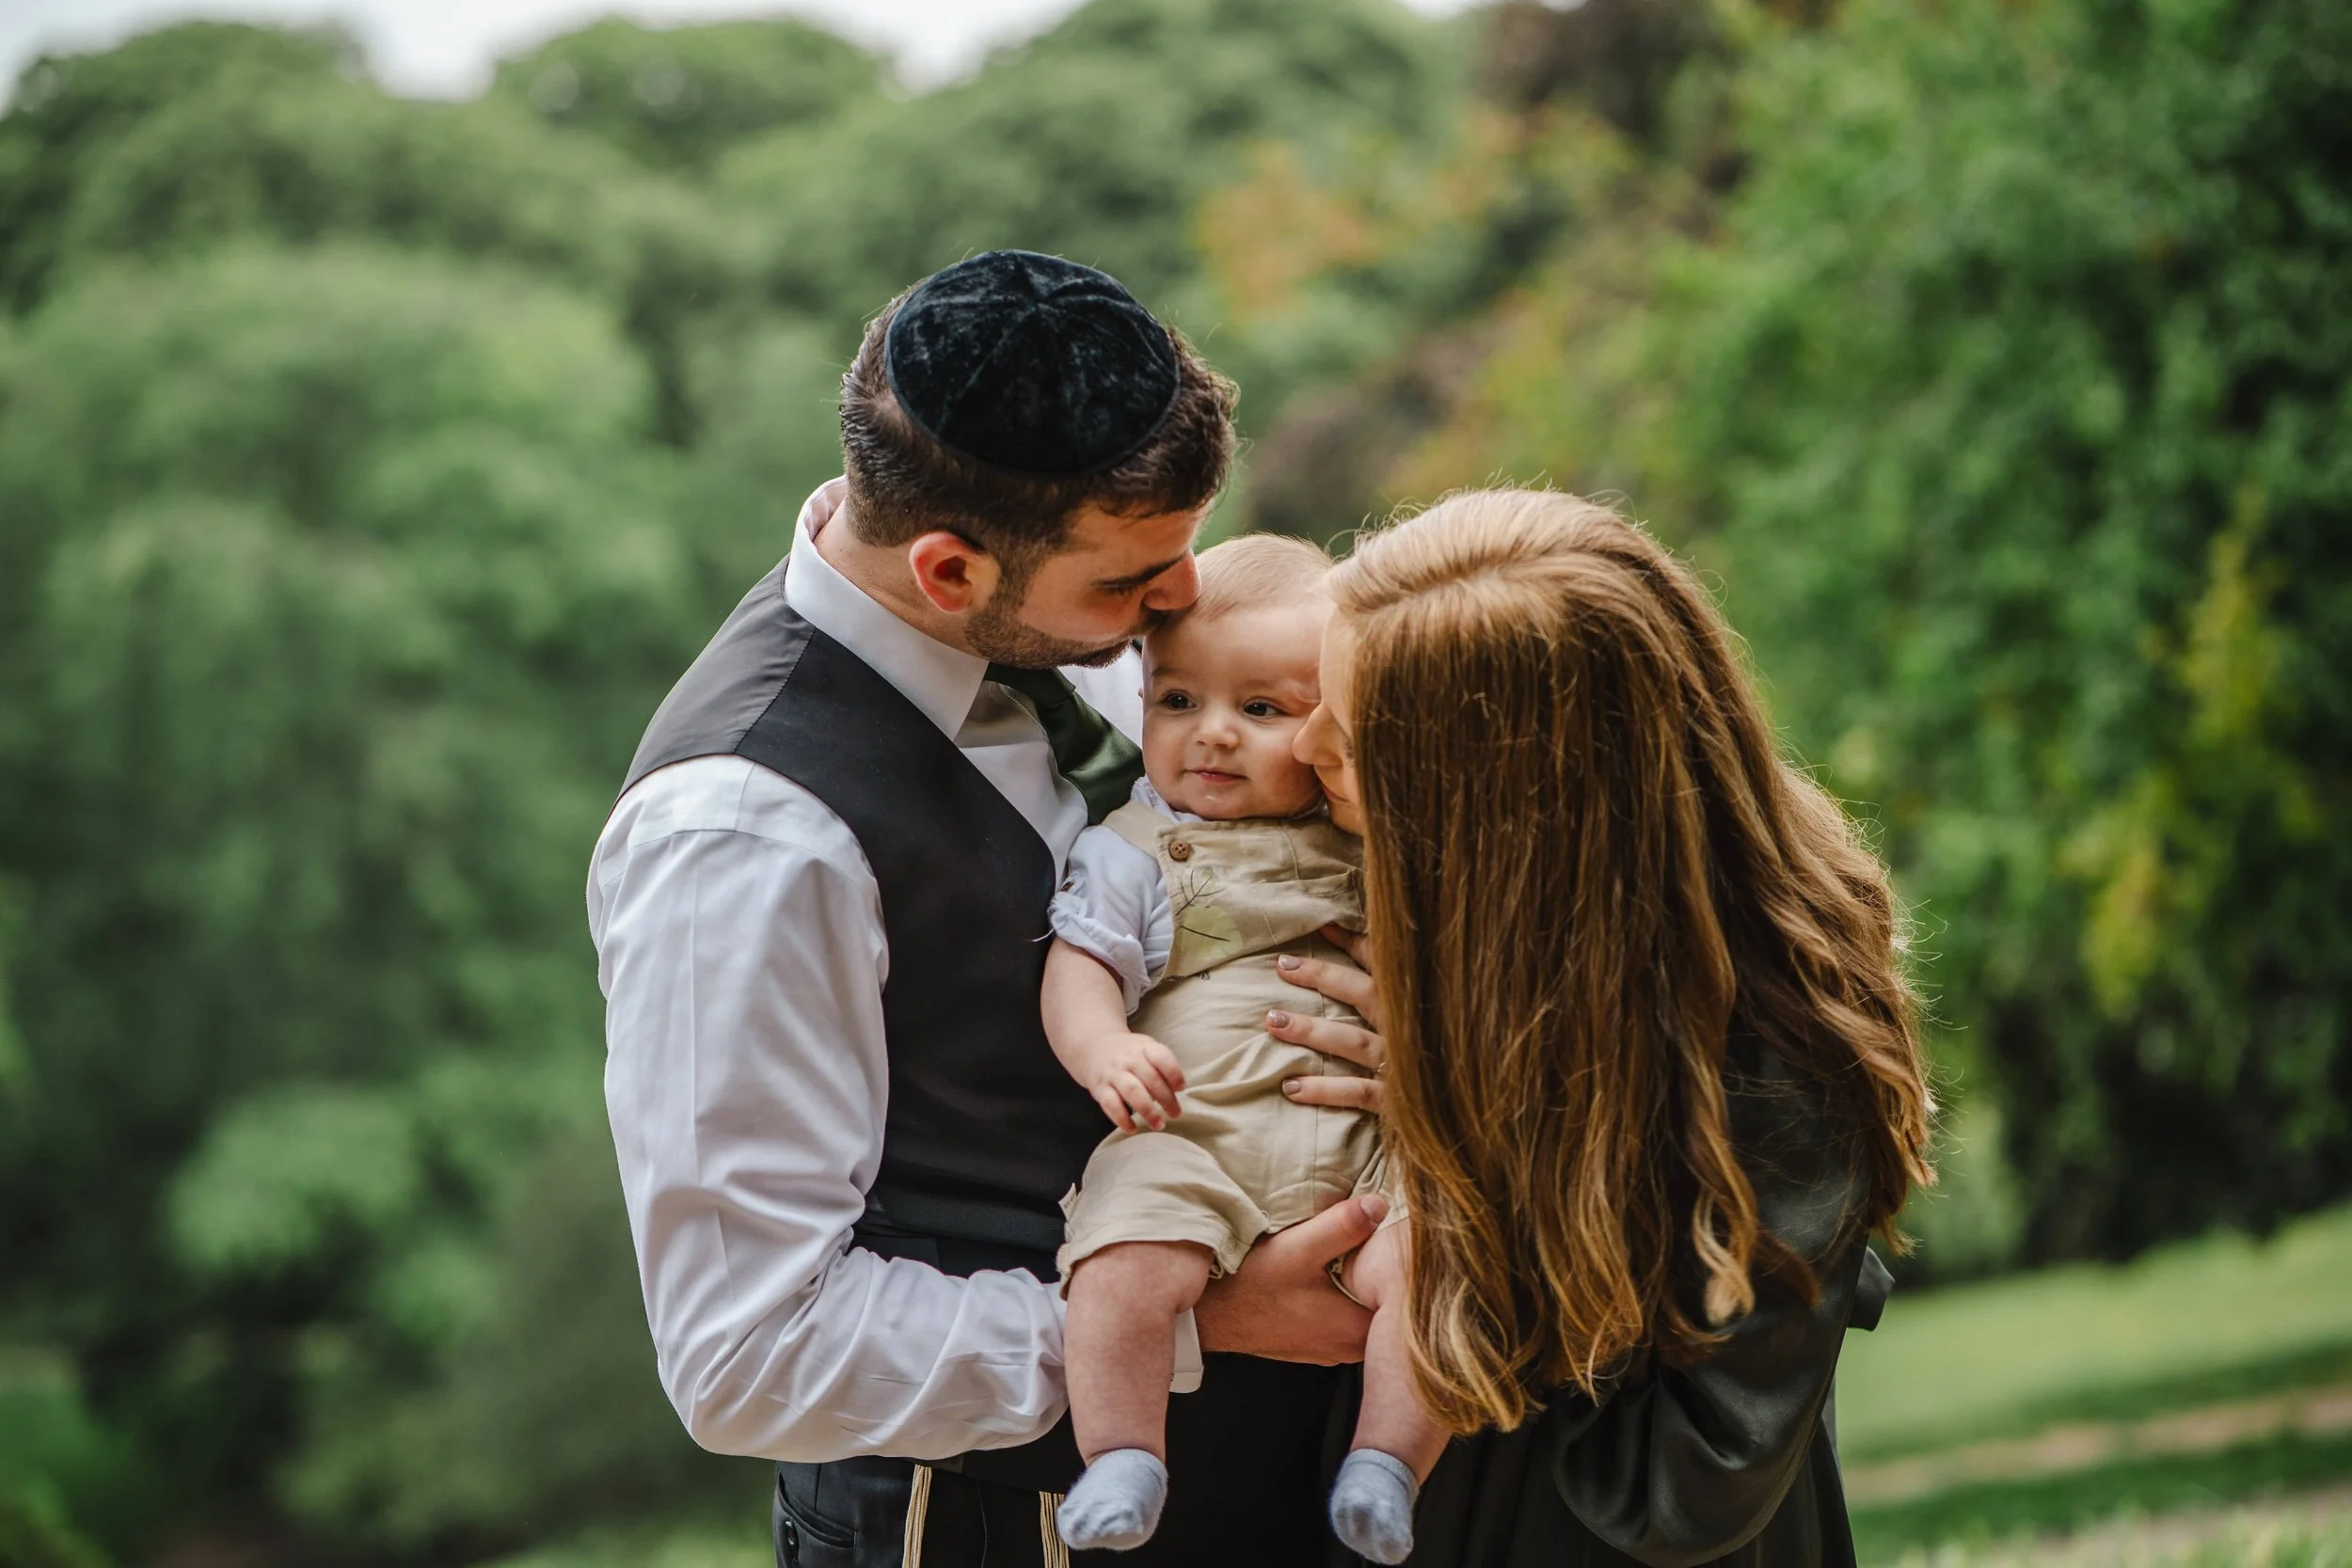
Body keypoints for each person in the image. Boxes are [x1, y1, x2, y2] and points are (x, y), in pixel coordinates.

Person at [589, 251, 1387, 1568]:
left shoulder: (1065, 635)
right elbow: (749, 1354)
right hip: (982, 1528)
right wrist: (1203, 1316)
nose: (1178, 606)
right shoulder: (743, 832)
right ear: (949, 567)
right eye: (1131, 584)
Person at [1279, 487, 1935, 1566]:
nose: (1302, 746)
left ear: (1488, 810)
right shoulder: (1407, 925)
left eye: (1351, 739)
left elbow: (1690, 1487)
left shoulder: (1770, 1063)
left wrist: (1461, 1120)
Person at [1033, 534, 1445, 1560]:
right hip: (1193, 1140)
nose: (1210, 736)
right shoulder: (1133, 848)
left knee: (1440, 1258)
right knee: (1122, 1255)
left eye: (1260, 710)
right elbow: (1080, 964)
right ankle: (1123, 1453)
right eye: (1177, 701)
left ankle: (1385, 1466)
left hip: (1366, 1155)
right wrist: (1102, 1051)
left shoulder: (1371, 839)